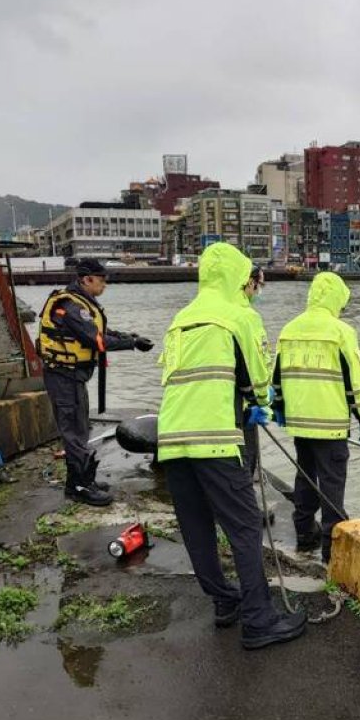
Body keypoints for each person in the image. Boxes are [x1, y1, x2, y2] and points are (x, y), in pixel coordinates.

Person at [157, 242, 306, 650]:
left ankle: (226, 602)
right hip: (219, 443)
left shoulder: (180, 319)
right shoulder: (241, 315)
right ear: (241, 277)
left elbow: (179, 381)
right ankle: (259, 620)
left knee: (197, 529)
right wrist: (259, 406)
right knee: (243, 528)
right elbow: (259, 381)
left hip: (171, 442)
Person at [272, 271, 360, 563]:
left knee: (305, 476)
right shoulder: (341, 332)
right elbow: (354, 380)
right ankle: (332, 548)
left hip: (299, 423)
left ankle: (304, 533)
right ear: (337, 299)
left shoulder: (289, 329)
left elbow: (276, 375)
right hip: (330, 425)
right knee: (332, 484)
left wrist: (279, 407)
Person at [36, 258, 154, 506]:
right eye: (101, 280)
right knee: (75, 432)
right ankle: (78, 486)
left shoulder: (81, 304)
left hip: (71, 376)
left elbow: (101, 333)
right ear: (86, 279)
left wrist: (129, 336)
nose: (104, 285)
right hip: (63, 376)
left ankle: (84, 480)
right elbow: (96, 342)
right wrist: (131, 344)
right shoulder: (70, 307)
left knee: (79, 427)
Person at [240, 264, 267, 477]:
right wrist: (262, 400)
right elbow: (256, 363)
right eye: (260, 284)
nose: (260, 290)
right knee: (246, 460)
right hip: (243, 404)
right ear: (250, 282)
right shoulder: (248, 317)